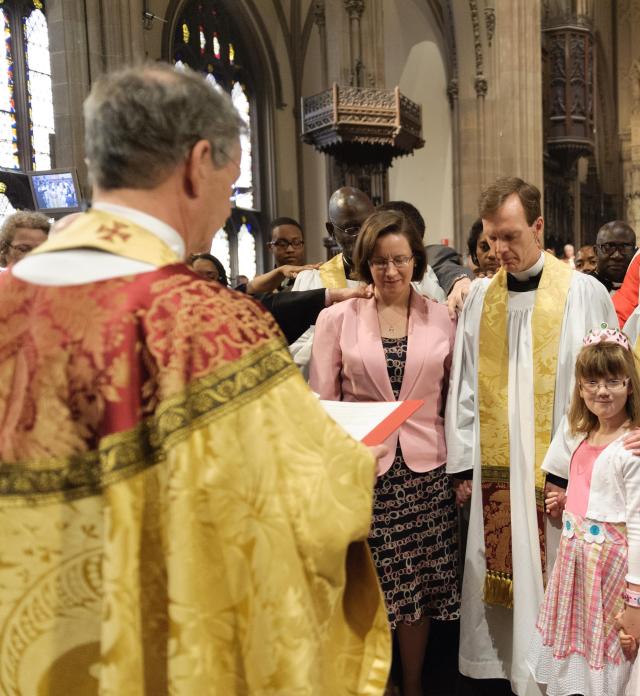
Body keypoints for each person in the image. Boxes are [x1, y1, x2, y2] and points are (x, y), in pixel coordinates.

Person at [0, 63, 391, 694]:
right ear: (196, 162)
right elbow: (296, 515)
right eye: (229, 185)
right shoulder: (208, 326)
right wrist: (351, 467)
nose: (222, 211)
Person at [446, 176, 617, 695]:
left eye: (511, 236)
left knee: (562, 572)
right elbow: (465, 386)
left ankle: (564, 680)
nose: (499, 250)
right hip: (498, 470)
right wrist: (463, 464)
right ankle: (519, 674)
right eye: (491, 237)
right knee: (506, 576)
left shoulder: (582, 292)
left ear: (539, 226)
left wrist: (571, 463)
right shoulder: (480, 299)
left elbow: (606, 383)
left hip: (564, 468)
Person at [310, 210, 460, 696]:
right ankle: (381, 683)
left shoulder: (444, 317)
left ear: (416, 259)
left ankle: (413, 682)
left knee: (418, 591)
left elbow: (455, 396)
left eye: (399, 260)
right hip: (365, 476)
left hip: (426, 472)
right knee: (373, 589)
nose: (390, 271)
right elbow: (322, 403)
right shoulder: (336, 318)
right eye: (378, 262)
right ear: (364, 263)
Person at [527, 326, 640, 695]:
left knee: (607, 662)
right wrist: (566, 503)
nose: (602, 391)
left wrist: (635, 600)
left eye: (613, 381)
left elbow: (636, 526)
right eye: (592, 382)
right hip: (575, 566)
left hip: (609, 572)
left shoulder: (631, 447)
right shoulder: (580, 434)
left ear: (630, 386)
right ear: (579, 387)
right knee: (572, 654)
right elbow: (592, 488)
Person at [590, 220, 637, 295]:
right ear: (596, 252)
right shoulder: (583, 287)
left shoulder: (638, 287)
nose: (617, 256)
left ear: (635, 251)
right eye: (608, 246)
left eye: (625, 247)